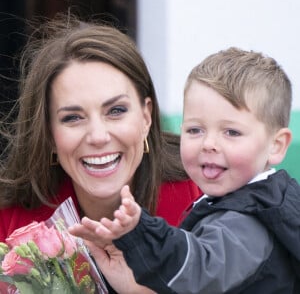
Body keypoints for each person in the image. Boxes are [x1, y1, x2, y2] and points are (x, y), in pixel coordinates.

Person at [71, 47, 300, 293]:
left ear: (276, 146)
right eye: (195, 130)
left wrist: (142, 231)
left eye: (231, 132)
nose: (208, 144)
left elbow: (199, 270)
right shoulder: (248, 200)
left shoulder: (249, 223)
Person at [0, 14, 202, 293]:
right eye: (72, 117)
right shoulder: (10, 221)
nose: (98, 136)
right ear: (48, 134)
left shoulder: (203, 198)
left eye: (116, 111)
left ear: (146, 117)